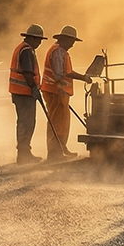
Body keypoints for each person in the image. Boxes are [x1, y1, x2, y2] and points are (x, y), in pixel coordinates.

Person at [40, 25, 93, 161]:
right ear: (65, 39)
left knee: (63, 122)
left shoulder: (61, 51)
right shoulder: (58, 52)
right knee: (56, 122)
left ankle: (61, 148)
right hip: (55, 92)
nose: (73, 44)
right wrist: (83, 77)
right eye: (72, 41)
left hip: (59, 93)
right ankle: (54, 153)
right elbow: (60, 74)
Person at [9, 24, 45, 164]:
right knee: (27, 122)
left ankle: (24, 152)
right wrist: (34, 88)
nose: (40, 43)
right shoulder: (26, 51)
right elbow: (28, 73)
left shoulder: (23, 48)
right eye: (39, 40)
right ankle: (23, 154)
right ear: (32, 38)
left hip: (20, 93)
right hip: (24, 93)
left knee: (24, 122)